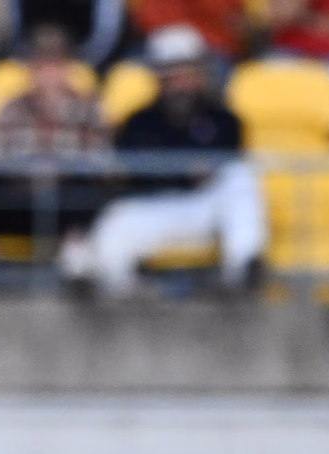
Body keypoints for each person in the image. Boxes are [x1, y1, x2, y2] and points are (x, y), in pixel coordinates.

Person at [65, 24, 265, 298]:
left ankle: (242, 270)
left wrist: (178, 170)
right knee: (116, 222)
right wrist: (182, 171)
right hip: (154, 207)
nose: (180, 83)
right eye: (171, 74)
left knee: (240, 175)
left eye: (186, 73)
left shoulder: (224, 120)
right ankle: (123, 298)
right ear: (158, 77)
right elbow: (130, 175)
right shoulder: (138, 122)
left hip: (203, 207)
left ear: (200, 74)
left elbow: (217, 167)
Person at [0, 24, 109, 276]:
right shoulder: (13, 107)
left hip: (64, 199)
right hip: (20, 195)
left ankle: (77, 249)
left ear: (67, 68)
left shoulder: (87, 108)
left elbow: (100, 158)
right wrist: (25, 168)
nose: (48, 74)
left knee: (89, 187)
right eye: (42, 65)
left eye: (55, 65)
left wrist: (57, 167)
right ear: (31, 68)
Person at [131, 0, 250, 72]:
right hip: (161, 47)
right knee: (132, 70)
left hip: (210, 50)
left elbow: (229, 25)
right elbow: (147, 19)